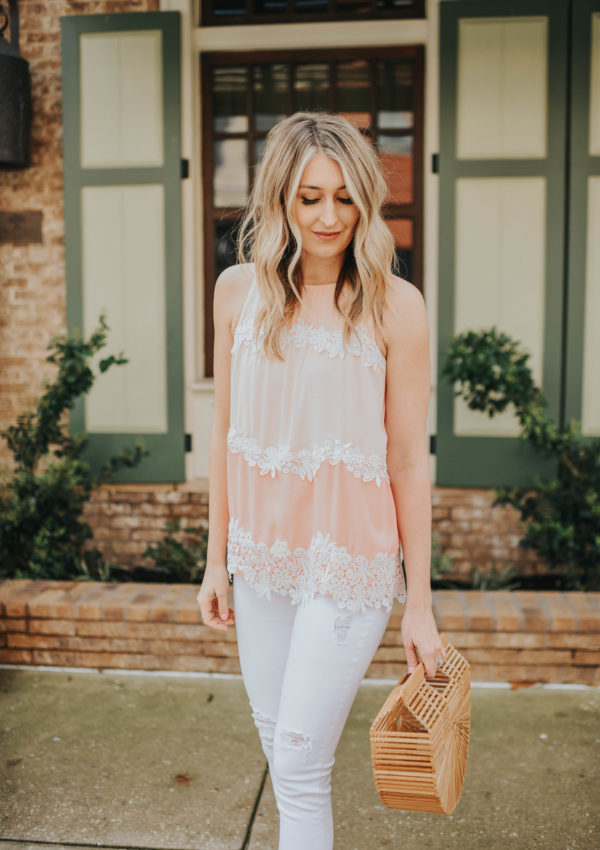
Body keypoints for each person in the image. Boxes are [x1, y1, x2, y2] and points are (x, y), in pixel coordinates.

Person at [197, 111, 446, 850]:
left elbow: (407, 460)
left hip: (349, 564)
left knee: (302, 761)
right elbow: (223, 434)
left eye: (344, 197)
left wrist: (421, 604)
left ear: (366, 202)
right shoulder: (237, 294)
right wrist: (216, 561)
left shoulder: (396, 308)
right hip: (262, 561)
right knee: (281, 749)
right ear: (280, 199)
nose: (329, 216)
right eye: (310, 197)